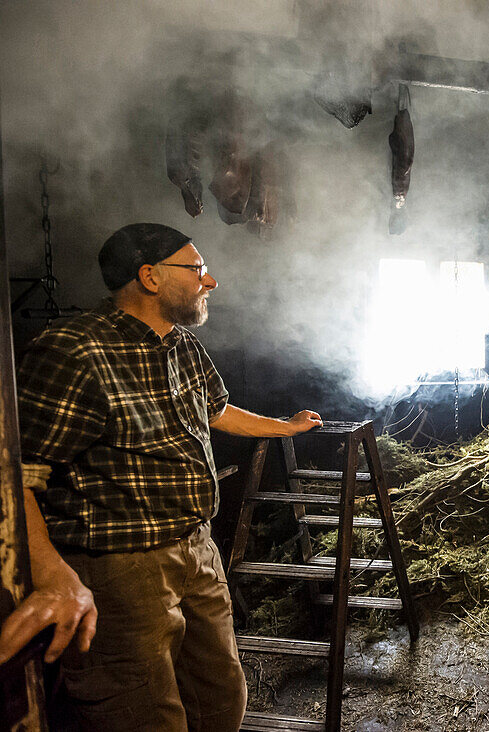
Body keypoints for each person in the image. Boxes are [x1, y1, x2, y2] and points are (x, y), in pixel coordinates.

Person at [0, 223, 322, 731]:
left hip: (196, 549)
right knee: (144, 716)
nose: (210, 281)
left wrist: (284, 427)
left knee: (220, 702)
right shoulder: (75, 350)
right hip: (121, 568)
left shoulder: (182, 346)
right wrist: (54, 575)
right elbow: (16, 478)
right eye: (196, 269)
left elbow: (216, 410)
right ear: (150, 277)